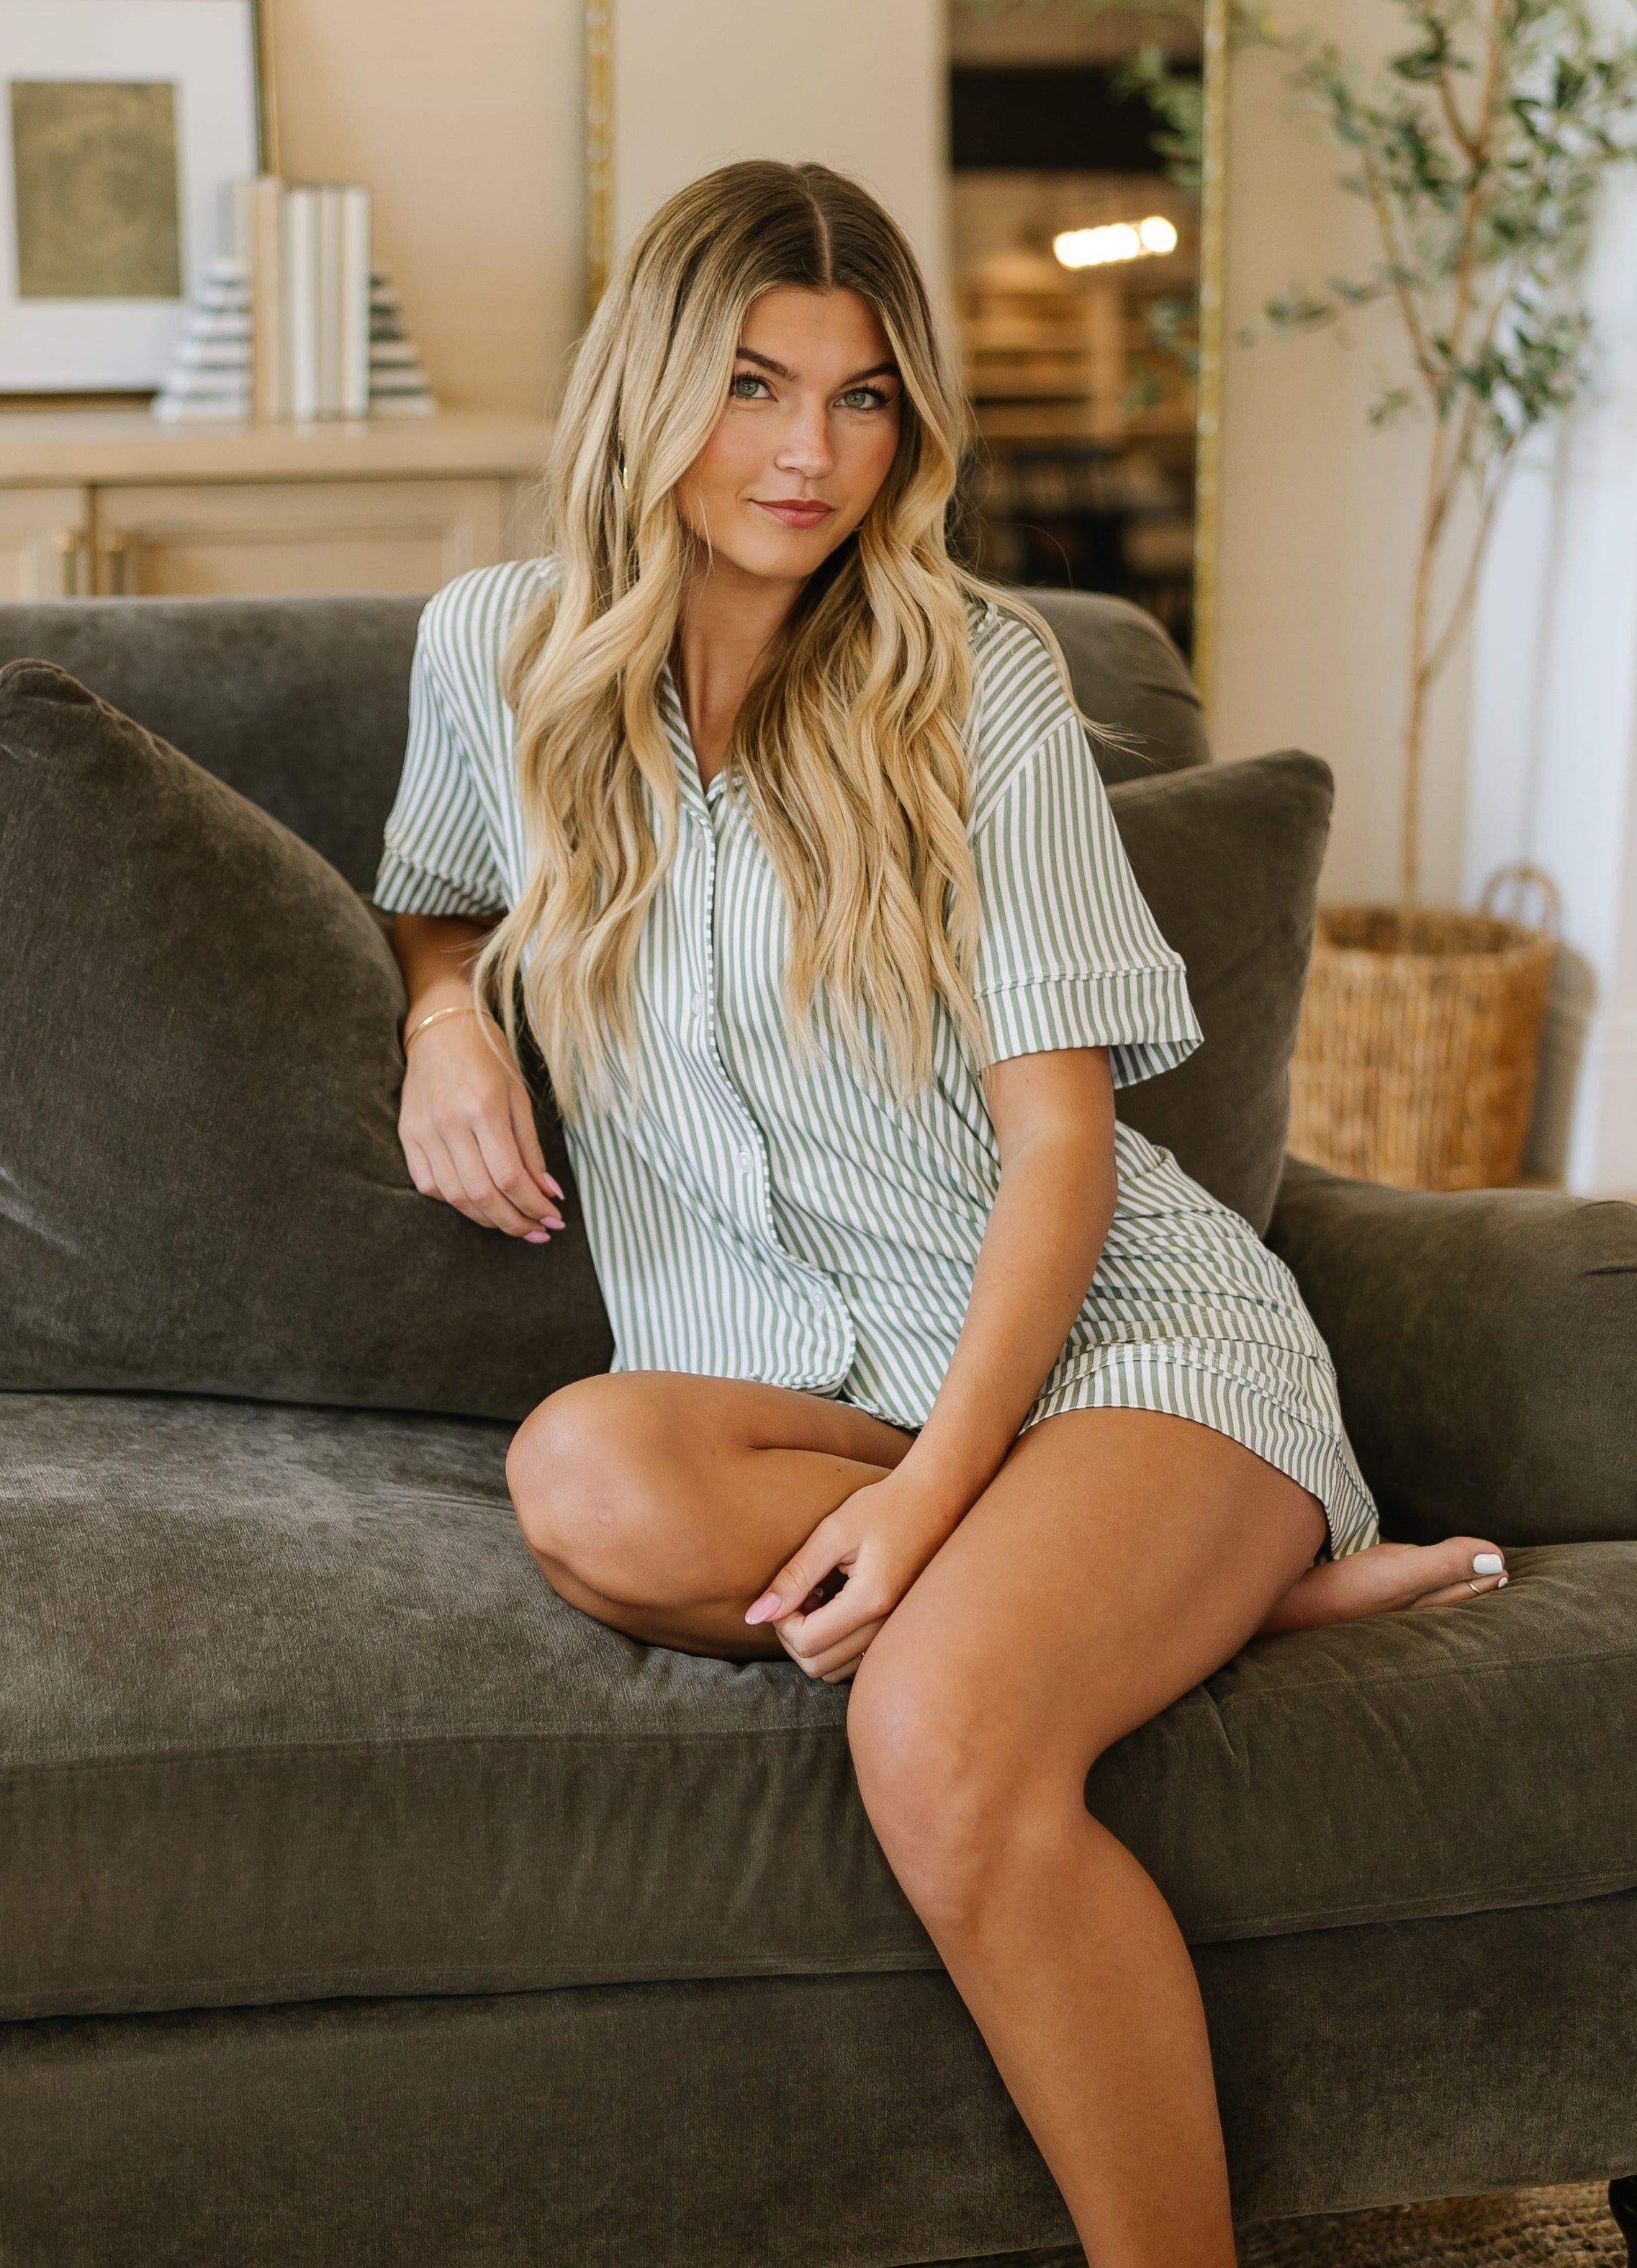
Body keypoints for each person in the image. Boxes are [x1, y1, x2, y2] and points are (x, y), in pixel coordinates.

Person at [377, 160, 1508, 2268]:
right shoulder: (492, 650)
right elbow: (438, 894)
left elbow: (1064, 1147)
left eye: (863, 396)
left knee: (935, 1733)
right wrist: (447, 1017)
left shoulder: (970, 676)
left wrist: (929, 1505)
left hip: (1124, 1347)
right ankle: (1202, 1600)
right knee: (585, 1476)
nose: (807, 452)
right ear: (647, 389)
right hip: (797, 1389)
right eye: (751, 384)